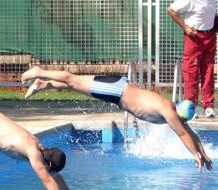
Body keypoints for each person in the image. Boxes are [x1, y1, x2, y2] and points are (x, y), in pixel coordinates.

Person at [22, 66, 213, 171]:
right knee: (73, 80)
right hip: (117, 90)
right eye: (182, 120)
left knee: (75, 86)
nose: (182, 124)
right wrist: (195, 156)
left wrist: (203, 154)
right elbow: (182, 134)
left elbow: (189, 133)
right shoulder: (169, 111)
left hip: (117, 91)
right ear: (179, 114)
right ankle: (41, 72)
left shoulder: (175, 111)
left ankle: (44, 84)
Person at [167, 0, 217, 118]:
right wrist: (185, 27)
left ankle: (209, 106)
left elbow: (209, 15)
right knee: (191, 73)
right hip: (194, 38)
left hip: (210, 36)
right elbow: (171, 10)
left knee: (208, 72)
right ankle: (190, 107)